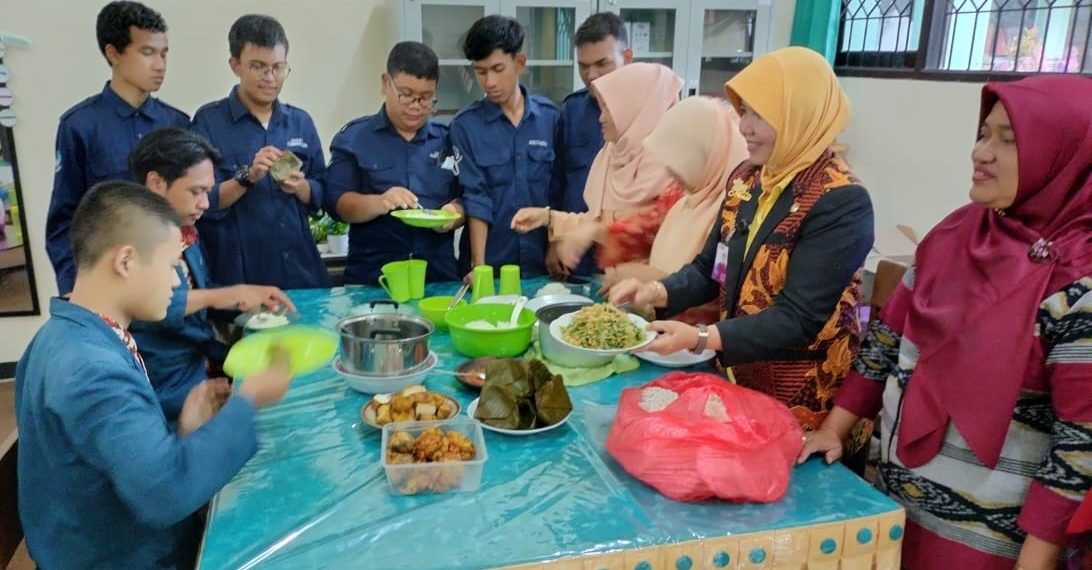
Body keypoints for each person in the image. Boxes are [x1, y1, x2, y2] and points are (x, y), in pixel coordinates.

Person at [799, 75, 1092, 570]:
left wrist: (1036, 560)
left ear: (1063, 155)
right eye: (983, 134)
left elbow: (1078, 446)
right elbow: (884, 342)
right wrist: (835, 428)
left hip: (990, 539)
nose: (982, 153)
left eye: (1009, 140)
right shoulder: (954, 235)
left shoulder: (1076, 283)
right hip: (895, 502)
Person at [16, 182, 294, 569]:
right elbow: (166, 493)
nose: (178, 282)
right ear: (126, 261)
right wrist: (250, 400)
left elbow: (110, 458)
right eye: (170, 266)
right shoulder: (91, 370)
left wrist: (182, 433)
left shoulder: (66, 332)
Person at [609, 47, 874, 441]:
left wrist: (702, 338)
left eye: (758, 114)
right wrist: (655, 290)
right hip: (739, 384)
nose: (744, 127)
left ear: (799, 114)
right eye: (743, 112)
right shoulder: (748, 181)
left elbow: (798, 318)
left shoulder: (841, 201)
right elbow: (709, 269)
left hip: (805, 405)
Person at [128, 127, 295, 421]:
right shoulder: (128, 241)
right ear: (155, 182)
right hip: (163, 394)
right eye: (196, 191)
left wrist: (247, 303)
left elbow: (200, 294)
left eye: (207, 191)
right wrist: (225, 295)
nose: (205, 203)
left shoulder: (185, 234)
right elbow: (157, 307)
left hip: (200, 371)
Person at [46, 1, 189, 296]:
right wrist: (76, 289)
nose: (160, 65)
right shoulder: (81, 126)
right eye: (147, 52)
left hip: (170, 284)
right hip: (110, 284)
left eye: (164, 53)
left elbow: (193, 208)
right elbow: (64, 219)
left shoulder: (177, 124)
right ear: (113, 54)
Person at [191, 14, 329, 289]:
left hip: (300, 274)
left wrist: (300, 187)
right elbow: (200, 200)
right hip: (238, 278)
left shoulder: (300, 122)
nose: (270, 78)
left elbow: (323, 192)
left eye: (278, 68)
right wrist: (247, 177)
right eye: (259, 67)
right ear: (235, 65)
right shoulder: (208, 122)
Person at [511, 63, 682, 278]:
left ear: (636, 111)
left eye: (609, 109)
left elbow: (649, 230)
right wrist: (548, 217)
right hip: (619, 290)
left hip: (657, 296)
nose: (600, 118)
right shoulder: (612, 156)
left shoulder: (675, 169)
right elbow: (598, 221)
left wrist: (594, 234)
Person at [593, 96, 747, 324]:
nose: (670, 172)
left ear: (707, 154)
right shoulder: (687, 198)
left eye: (681, 161)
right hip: (669, 336)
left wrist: (653, 281)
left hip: (700, 345)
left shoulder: (735, 210)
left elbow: (719, 286)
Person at [324, 41, 464, 285]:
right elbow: (337, 204)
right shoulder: (354, 138)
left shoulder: (449, 139)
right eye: (406, 95)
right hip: (372, 279)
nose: (416, 106)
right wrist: (380, 202)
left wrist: (455, 214)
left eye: (426, 98)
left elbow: (470, 197)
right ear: (385, 83)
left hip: (438, 277)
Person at [450, 15, 560, 277]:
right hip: (491, 264)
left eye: (498, 69)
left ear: (519, 63)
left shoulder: (550, 118)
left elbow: (559, 193)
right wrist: (480, 265)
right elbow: (475, 196)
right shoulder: (465, 126)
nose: (489, 82)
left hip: (541, 265)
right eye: (480, 71)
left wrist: (558, 245)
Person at [549, 12, 633, 276]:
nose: (591, 75)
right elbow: (559, 182)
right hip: (575, 254)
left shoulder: (649, 114)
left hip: (627, 254)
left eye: (602, 63)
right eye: (583, 66)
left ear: (627, 58)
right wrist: (555, 239)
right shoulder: (572, 111)